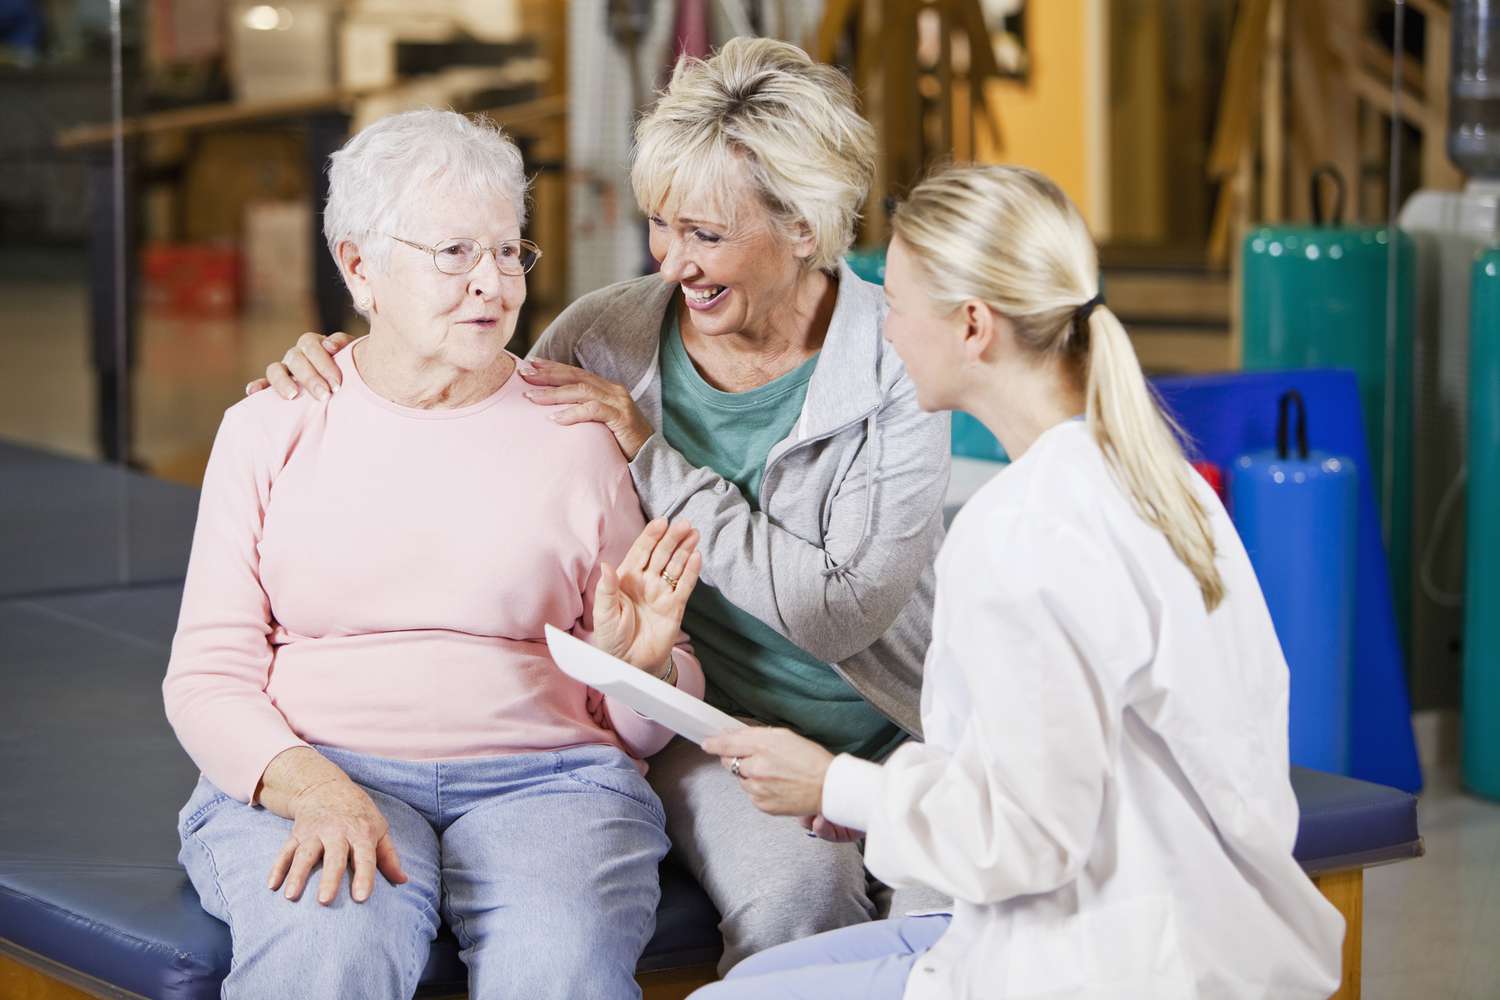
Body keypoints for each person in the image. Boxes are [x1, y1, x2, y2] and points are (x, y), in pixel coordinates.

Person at [245, 38, 951, 972]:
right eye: (660, 225)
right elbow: (474, 401)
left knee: (971, 926)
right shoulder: (606, 336)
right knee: (799, 899)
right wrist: (350, 354)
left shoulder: (898, 358)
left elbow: (833, 612)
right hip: (713, 727)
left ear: (804, 228)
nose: (671, 263)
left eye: (705, 234)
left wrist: (654, 458)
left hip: (893, 724)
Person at [693, 164, 1347, 999]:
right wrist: (874, 801)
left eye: (894, 305)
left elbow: (1028, 838)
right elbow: (1053, 773)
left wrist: (837, 783)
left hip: (1101, 966)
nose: (885, 333)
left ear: (973, 326)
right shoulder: (1163, 482)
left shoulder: (1021, 531)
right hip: (1202, 938)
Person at [163, 109, 708, 1000]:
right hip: (321, 759)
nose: (491, 283)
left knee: (558, 959)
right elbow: (207, 675)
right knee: (329, 942)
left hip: (552, 782)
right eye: (454, 253)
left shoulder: (577, 430)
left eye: (507, 252)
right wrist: (311, 788)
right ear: (358, 267)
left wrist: (638, 670)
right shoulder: (272, 424)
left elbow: (646, 718)